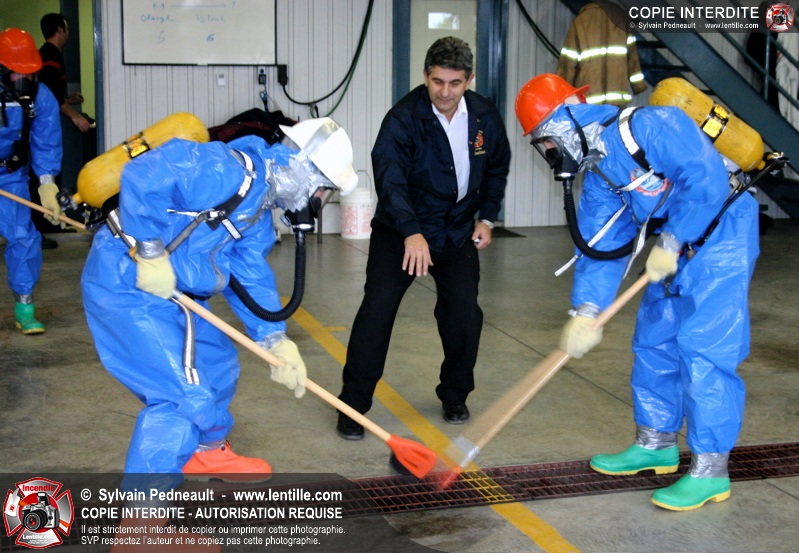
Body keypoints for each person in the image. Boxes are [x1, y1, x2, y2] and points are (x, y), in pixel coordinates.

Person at [81, 117, 358, 551]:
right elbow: (145, 174)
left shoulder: (258, 210)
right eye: (322, 189)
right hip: (129, 285)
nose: (318, 201)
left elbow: (249, 274)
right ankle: (140, 528)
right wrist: (150, 251)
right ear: (303, 167)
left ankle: (205, 451)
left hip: (174, 293)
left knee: (218, 363)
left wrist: (274, 339)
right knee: (179, 397)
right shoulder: (225, 168)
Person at [515, 74, 759, 511]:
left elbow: (705, 178)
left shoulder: (650, 125)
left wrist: (674, 238)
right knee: (654, 340)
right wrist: (586, 310)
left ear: (567, 119)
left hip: (721, 234)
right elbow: (599, 245)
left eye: (547, 140)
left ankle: (710, 471)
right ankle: (656, 444)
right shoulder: (601, 176)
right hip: (674, 245)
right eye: (542, 145)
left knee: (704, 347)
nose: (550, 152)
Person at [336, 36, 511, 439]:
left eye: (455, 83)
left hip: (457, 230)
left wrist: (487, 218)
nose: (445, 92)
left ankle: (455, 394)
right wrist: (411, 232)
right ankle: (353, 405)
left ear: (469, 80)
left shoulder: (484, 116)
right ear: (425, 76)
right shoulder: (402, 118)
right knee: (377, 311)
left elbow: (496, 167)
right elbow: (390, 179)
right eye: (437, 82)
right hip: (401, 230)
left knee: (464, 314)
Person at [0, 28, 63, 334]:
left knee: (23, 238)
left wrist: (47, 184)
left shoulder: (41, 96)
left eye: (28, 73)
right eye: (16, 73)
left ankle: (25, 309)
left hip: (10, 175)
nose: (23, 79)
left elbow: (45, 142)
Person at [556, 2, 647, 106]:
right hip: (616, 100)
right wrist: (638, 85)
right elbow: (632, 58)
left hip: (589, 100)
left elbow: (568, 61)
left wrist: (561, 92)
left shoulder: (580, 21)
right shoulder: (622, 19)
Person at [38, 13, 91, 133]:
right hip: (47, 124)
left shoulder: (44, 54)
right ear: (60, 30)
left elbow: (49, 91)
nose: (68, 33)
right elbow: (52, 95)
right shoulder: (51, 58)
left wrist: (68, 100)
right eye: (66, 28)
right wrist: (76, 116)